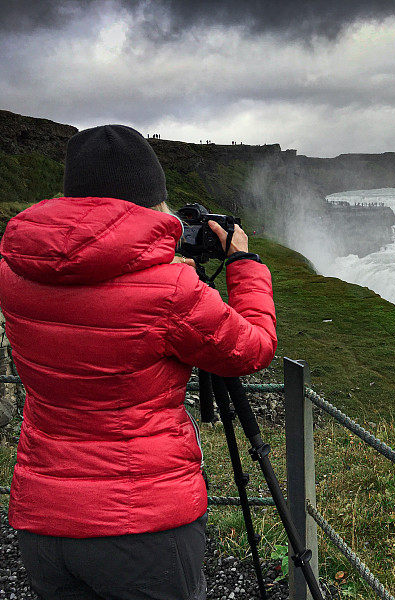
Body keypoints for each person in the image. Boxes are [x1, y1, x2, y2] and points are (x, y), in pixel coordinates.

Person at [0, 124, 277, 599]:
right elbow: (251, 348)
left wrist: (163, 272)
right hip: (143, 525)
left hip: (44, 519)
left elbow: (97, 290)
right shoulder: (172, 290)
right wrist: (243, 264)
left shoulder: (13, 270)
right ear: (152, 198)